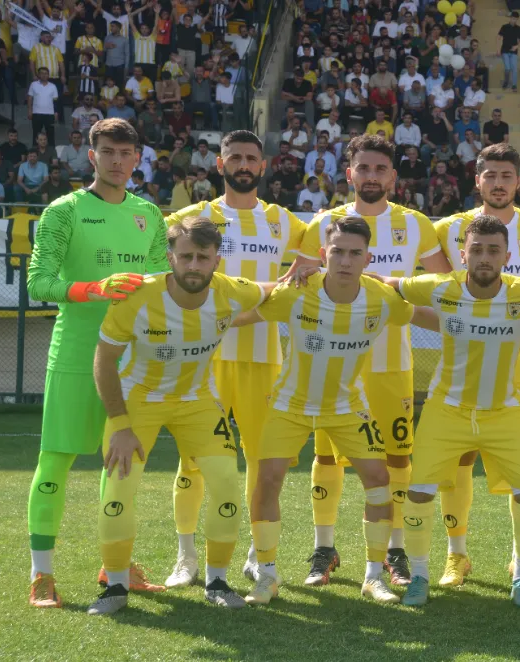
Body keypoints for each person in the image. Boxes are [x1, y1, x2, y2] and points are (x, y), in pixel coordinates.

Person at [370, 215, 520, 607]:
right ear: (463, 255)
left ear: (507, 256)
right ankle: (421, 576)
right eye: (476, 249)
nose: (484, 257)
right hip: (446, 410)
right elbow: (389, 284)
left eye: (493, 250)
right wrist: (327, 273)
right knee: (419, 492)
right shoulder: (441, 286)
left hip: (504, 412)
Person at [242, 218, 441, 606]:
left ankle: (373, 577)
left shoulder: (382, 297)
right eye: (337, 252)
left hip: (347, 407)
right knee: (267, 481)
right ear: (323, 254)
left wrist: (476, 324)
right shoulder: (297, 291)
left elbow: (427, 317)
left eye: (354, 253)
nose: (345, 261)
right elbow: (244, 312)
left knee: (380, 482)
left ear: (368, 258)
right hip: (290, 406)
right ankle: (266, 575)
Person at [287, 135, 453, 588]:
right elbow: (295, 283)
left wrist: (388, 284)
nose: (372, 176)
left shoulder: (415, 224)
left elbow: (444, 286)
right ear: (349, 174)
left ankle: (394, 551)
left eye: (381, 168)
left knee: (397, 458)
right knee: (327, 456)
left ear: (393, 176)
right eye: (364, 168)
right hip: (332, 364)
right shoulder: (324, 223)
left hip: (391, 363)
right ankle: (324, 549)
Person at [88, 217, 271, 615]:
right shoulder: (137, 296)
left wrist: (304, 276)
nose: (193, 265)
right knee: (118, 490)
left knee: (226, 482)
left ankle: (217, 581)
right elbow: (104, 360)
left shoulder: (231, 291)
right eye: (185, 256)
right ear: (170, 257)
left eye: (203, 257)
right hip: (139, 400)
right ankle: (115, 586)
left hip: (197, 400)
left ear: (217, 260)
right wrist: (121, 424)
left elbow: (276, 293)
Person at [25, 118, 169, 608]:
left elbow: (160, 285)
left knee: (121, 467)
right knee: (55, 461)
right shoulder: (64, 211)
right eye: (108, 151)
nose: (117, 161)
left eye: (126, 153)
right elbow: (39, 283)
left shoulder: (148, 213)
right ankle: (41, 574)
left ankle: (116, 566)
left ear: (137, 158)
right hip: (75, 354)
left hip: (131, 359)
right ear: (92, 156)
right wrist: (95, 289)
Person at [163, 130, 311, 589]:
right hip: (202, 360)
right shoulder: (192, 218)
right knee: (193, 461)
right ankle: (186, 556)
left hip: (264, 358)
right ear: (220, 164)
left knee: (263, 461)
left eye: (251, 158)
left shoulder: (285, 222)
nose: (243, 165)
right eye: (235, 157)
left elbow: (310, 265)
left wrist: (302, 273)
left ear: (263, 166)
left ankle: (256, 555)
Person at [431, 144, 520, 587]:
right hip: (462, 364)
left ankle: (518, 560)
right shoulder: (449, 228)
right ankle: (456, 555)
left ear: (518, 181)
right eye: (489, 175)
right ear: (477, 180)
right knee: (459, 461)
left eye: (506, 175)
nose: (498, 183)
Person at [497, 11, 520, 92]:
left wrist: (516, 46)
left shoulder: (519, 28)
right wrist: (498, 49)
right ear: (510, 18)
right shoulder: (504, 27)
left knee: (514, 68)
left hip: (514, 51)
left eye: (515, 19)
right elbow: (498, 38)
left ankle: (514, 85)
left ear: (517, 19)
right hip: (504, 50)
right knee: (507, 68)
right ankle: (506, 81)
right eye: (513, 18)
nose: (514, 20)